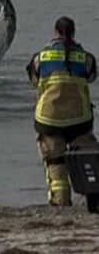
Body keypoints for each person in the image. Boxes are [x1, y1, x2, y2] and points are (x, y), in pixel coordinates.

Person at [26, 17, 98, 207]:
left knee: (55, 164)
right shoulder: (86, 58)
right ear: (73, 33)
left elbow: (33, 81)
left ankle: (61, 203)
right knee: (87, 161)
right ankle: (92, 200)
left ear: (55, 33)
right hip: (79, 120)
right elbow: (91, 77)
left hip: (48, 120)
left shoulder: (40, 57)